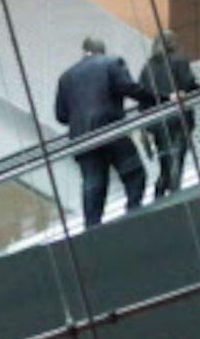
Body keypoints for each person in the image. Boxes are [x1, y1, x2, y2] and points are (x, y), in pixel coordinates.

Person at [52, 34, 150, 229]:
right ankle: (133, 215)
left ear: (83, 52)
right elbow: (128, 87)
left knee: (93, 184)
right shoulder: (112, 62)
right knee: (134, 172)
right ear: (102, 50)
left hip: (82, 139)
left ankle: (92, 228)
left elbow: (61, 115)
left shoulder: (66, 77)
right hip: (110, 128)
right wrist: (155, 98)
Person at [138, 30, 200, 199]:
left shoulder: (147, 67)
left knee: (165, 161)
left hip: (157, 121)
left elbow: (142, 97)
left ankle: (159, 194)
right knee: (177, 158)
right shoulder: (179, 60)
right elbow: (188, 83)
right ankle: (175, 194)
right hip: (178, 117)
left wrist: (145, 128)